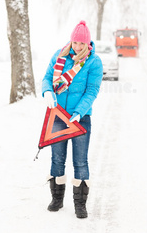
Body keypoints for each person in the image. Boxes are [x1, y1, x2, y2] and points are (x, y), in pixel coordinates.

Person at [42, 20, 103, 218]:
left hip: (80, 118)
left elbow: (92, 90)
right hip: (58, 116)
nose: (77, 47)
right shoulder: (59, 55)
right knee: (57, 160)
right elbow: (47, 78)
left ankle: (80, 204)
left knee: (80, 162)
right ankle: (57, 200)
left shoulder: (93, 62)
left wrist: (79, 111)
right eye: (75, 42)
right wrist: (47, 92)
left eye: (81, 44)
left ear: (87, 44)